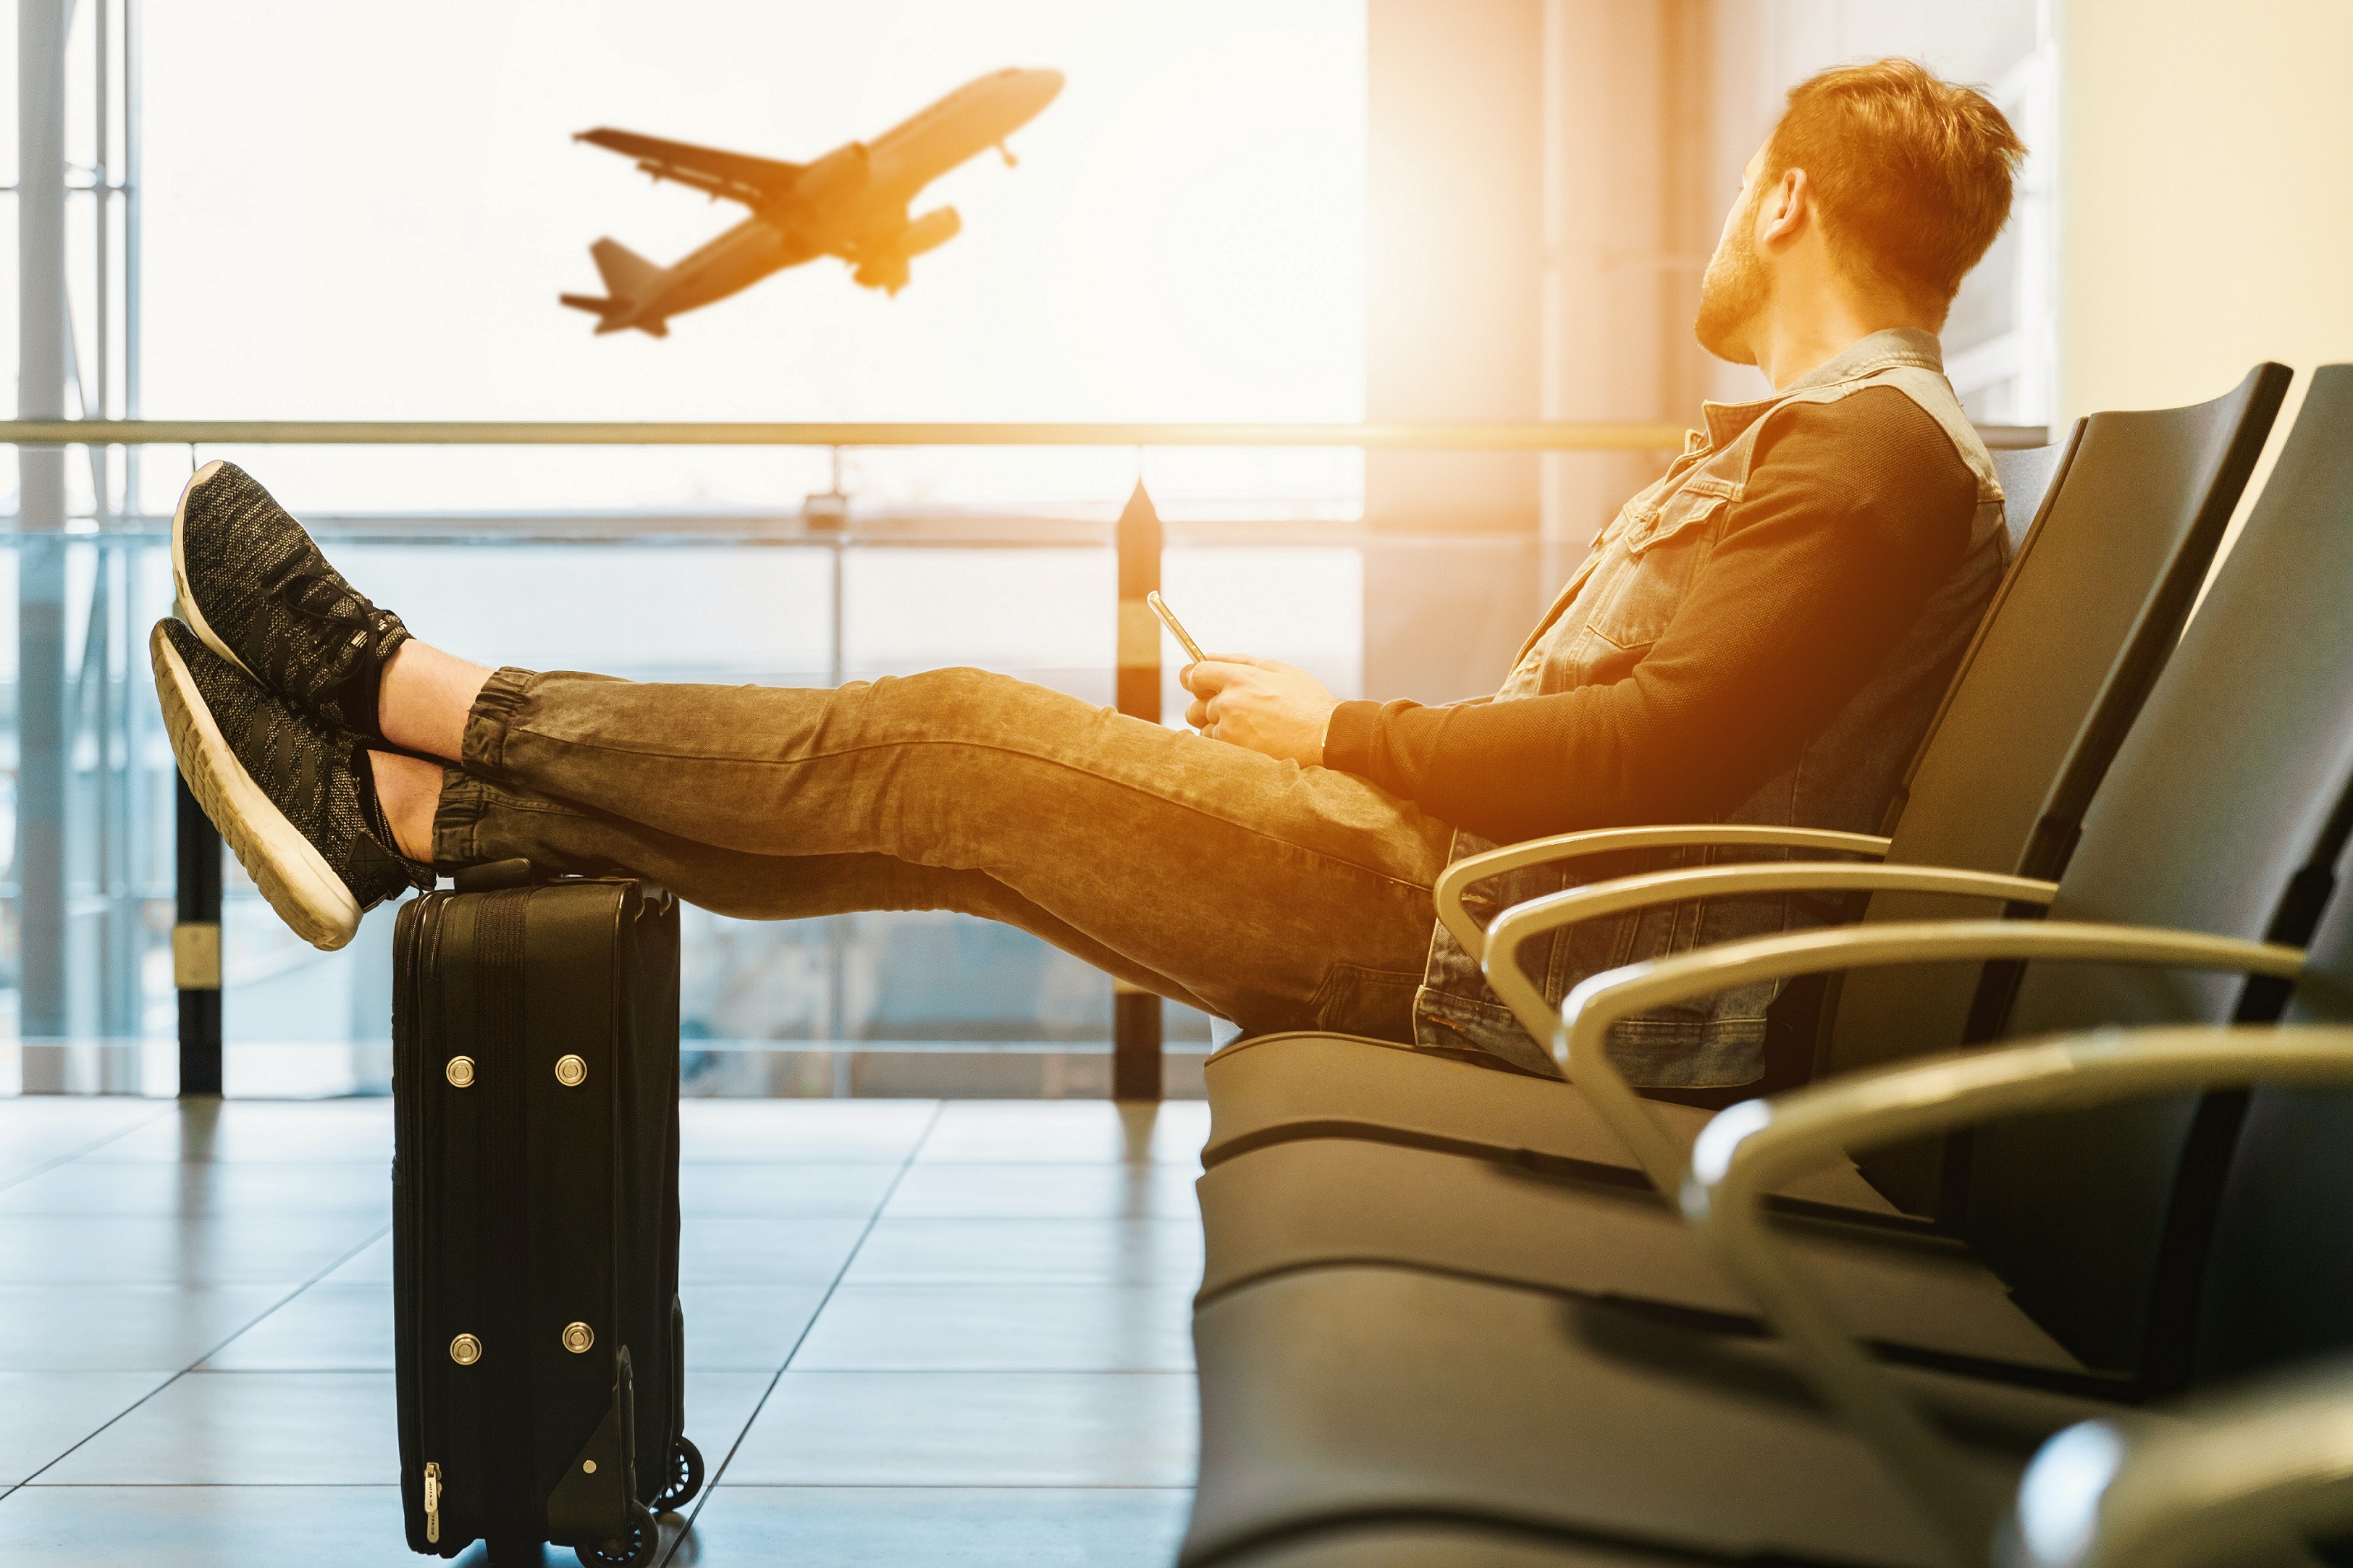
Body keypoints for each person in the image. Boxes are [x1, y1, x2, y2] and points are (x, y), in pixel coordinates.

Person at [153, 59, 2024, 1091]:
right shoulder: (1850, 455)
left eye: (1732, 200)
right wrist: (1343, 743)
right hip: (1474, 919)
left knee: (941, 739)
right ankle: (407, 815)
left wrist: (1345, 730)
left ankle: (397, 686)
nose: (1714, 232)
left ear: (1781, 200)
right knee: (941, 824)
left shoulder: (1864, 460)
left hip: (1479, 955)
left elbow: (1652, 760)